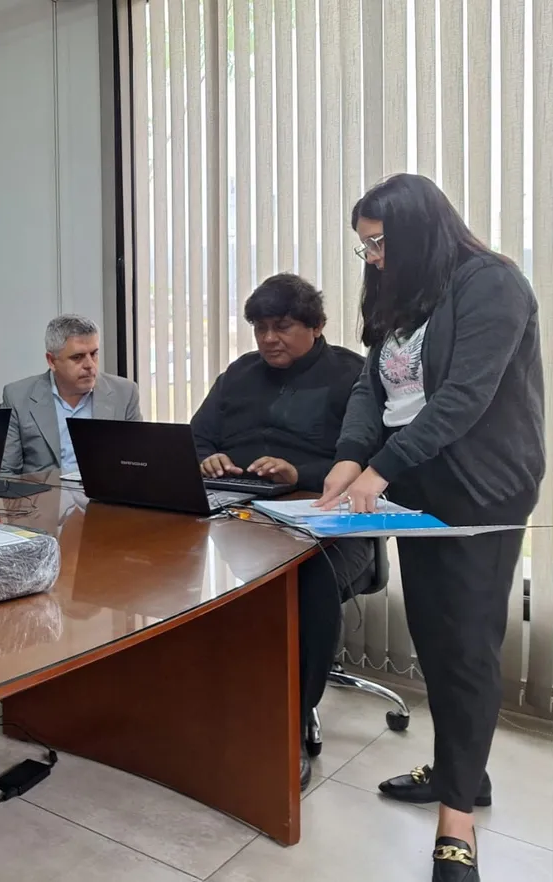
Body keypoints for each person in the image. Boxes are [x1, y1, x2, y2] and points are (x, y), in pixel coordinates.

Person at [318, 174, 544, 882]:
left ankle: (458, 820)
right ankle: (462, 772)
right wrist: (349, 457)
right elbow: (373, 385)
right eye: (364, 246)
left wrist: (378, 471)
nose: (372, 258)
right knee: (436, 638)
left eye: (379, 242)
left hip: (480, 490)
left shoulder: (492, 284)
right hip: (417, 485)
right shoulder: (400, 290)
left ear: (420, 231)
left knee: (468, 647)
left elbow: (463, 398)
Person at [191, 273, 373, 791]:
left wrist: (300, 473)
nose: (269, 339)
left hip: (326, 521)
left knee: (306, 580)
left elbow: (370, 461)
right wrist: (209, 458)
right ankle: (189, 699)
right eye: (260, 328)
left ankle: (290, 719)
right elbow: (196, 437)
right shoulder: (239, 374)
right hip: (239, 512)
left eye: (282, 326)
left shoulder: (351, 376)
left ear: (316, 326)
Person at [1, 314, 142, 475]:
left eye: (94, 354)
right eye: (77, 357)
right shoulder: (18, 397)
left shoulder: (124, 393)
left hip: (105, 490)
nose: (89, 365)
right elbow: (6, 473)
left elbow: (137, 465)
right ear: (52, 361)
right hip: (43, 491)